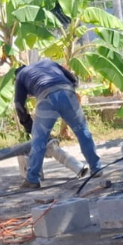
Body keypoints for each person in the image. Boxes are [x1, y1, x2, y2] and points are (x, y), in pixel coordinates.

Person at [15, 60, 102, 190]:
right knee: (82, 131)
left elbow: (19, 104)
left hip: (47, 98)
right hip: (67, 93)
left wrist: (27, 124)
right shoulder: (48, 63)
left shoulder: (21, 76)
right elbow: (73, 79)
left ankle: (32, 179)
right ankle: (96, 168)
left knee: (39, 140)